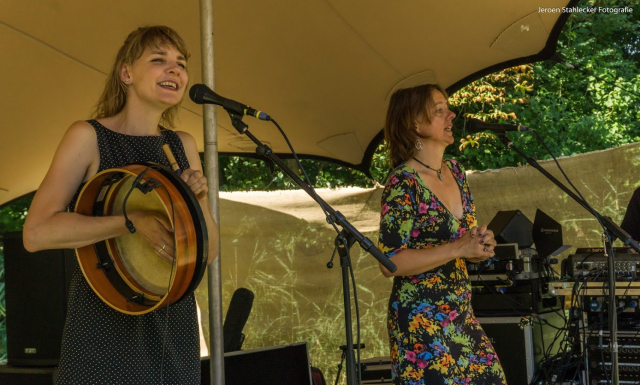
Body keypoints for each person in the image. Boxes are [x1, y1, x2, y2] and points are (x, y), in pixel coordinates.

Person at [23, 26, 219, 384]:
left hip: (173, 331)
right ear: (126, 73)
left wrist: (197, 201)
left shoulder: (183, 145)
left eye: (180, 63)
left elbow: (208, 252)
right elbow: (36, 233)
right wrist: (130, 221)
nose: (174, 70)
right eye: (159, 60)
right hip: (102, 333)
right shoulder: (88, 136)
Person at [378, 84, 507, 384]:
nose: (451, 114)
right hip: (420, 323)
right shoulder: (402, 182)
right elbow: (388, 262)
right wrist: (456, 249)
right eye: (439, 110)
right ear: (414, 123)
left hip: (461, 315)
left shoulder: (456, 171)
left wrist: (480, 245)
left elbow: (465, 240)